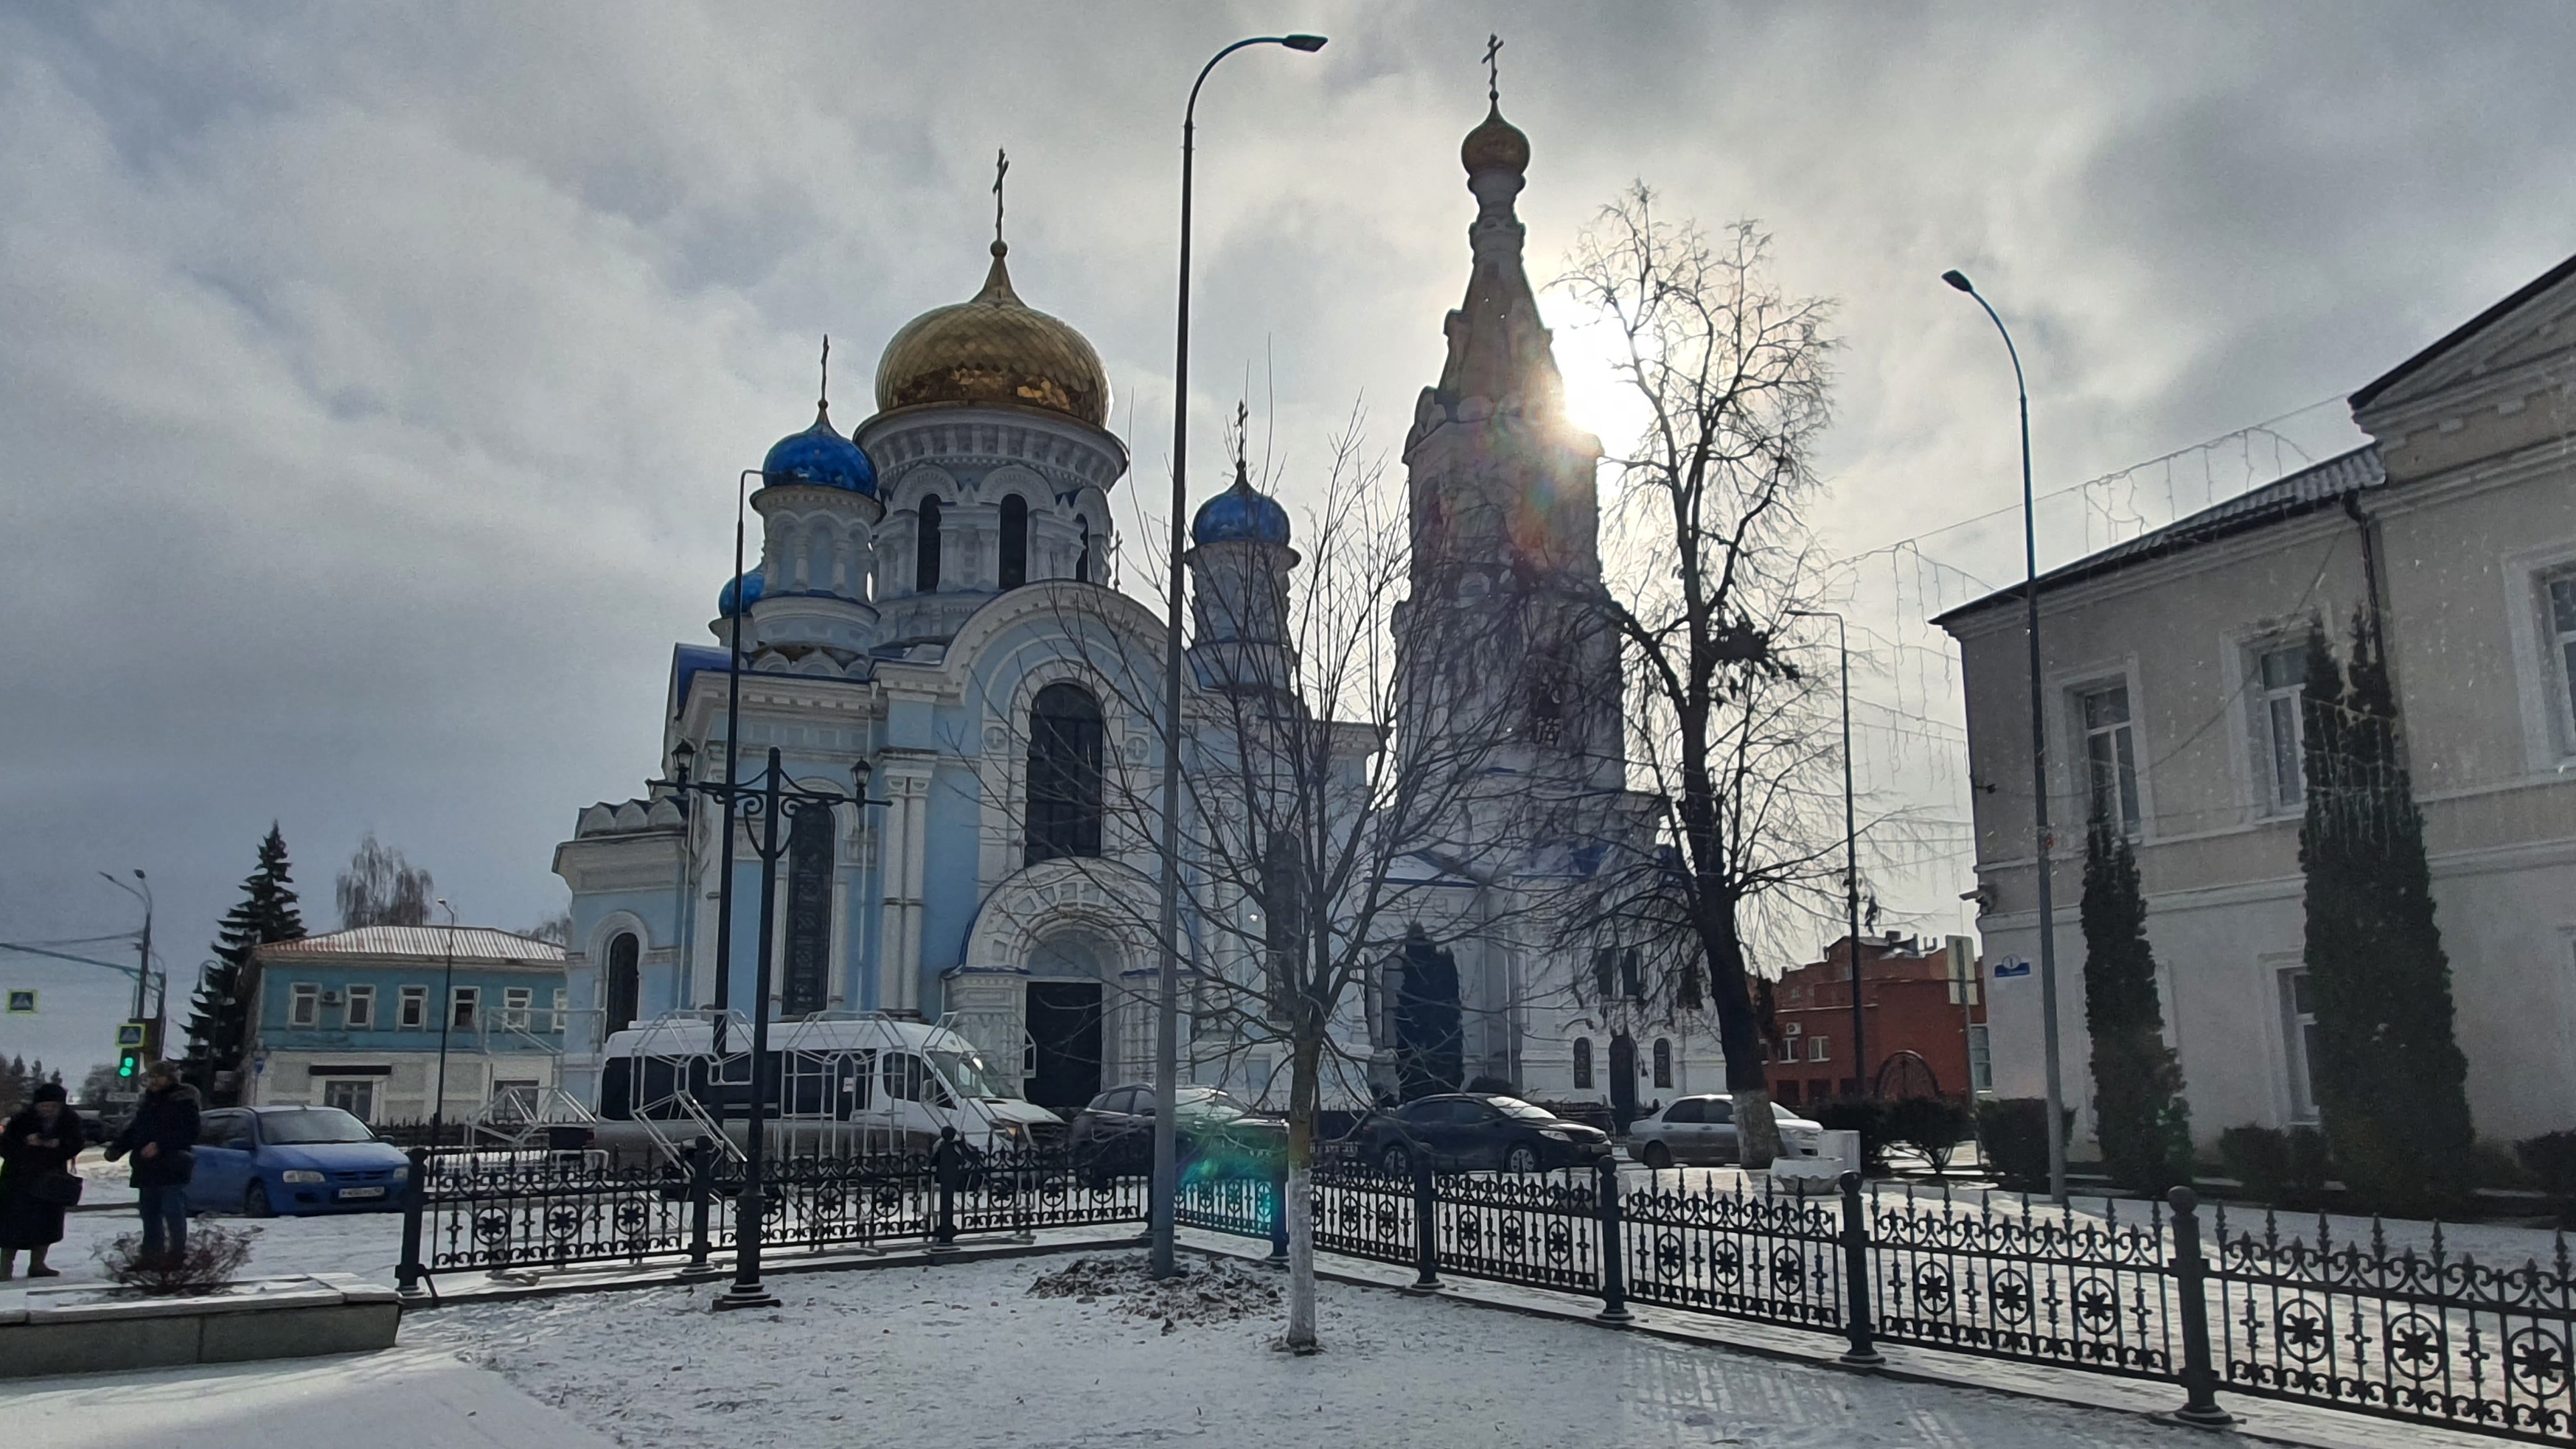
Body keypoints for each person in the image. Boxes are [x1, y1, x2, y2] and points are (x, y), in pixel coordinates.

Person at [104, 1062, 200, 1268]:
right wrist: (117, 1148)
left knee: (172, 1211)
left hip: (171, 1166)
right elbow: (135, 1130)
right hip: (146, 1168)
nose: (154, 1081)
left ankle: (176, 1255)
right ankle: (151, 1256)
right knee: (149, 1214)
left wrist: (161, 1146)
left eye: (159, 1077)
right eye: (151, 1077)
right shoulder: (148, 1103)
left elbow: (190, 1133)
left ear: (170, 1079)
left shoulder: (182, 1101)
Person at [1, 1082, 87, 1279]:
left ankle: (38, 1265)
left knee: (46, 1224)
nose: (48, 1110)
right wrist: (27, 1143)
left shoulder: (69, 1120)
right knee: (11, 1227)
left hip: (51, 1179)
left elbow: (76, 1143)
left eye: (53, 1106)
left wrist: (58, 1144)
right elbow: (5, 1146)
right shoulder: (21, 1120)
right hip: (18, 1180)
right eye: (44, 1106)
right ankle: (5, 1268)